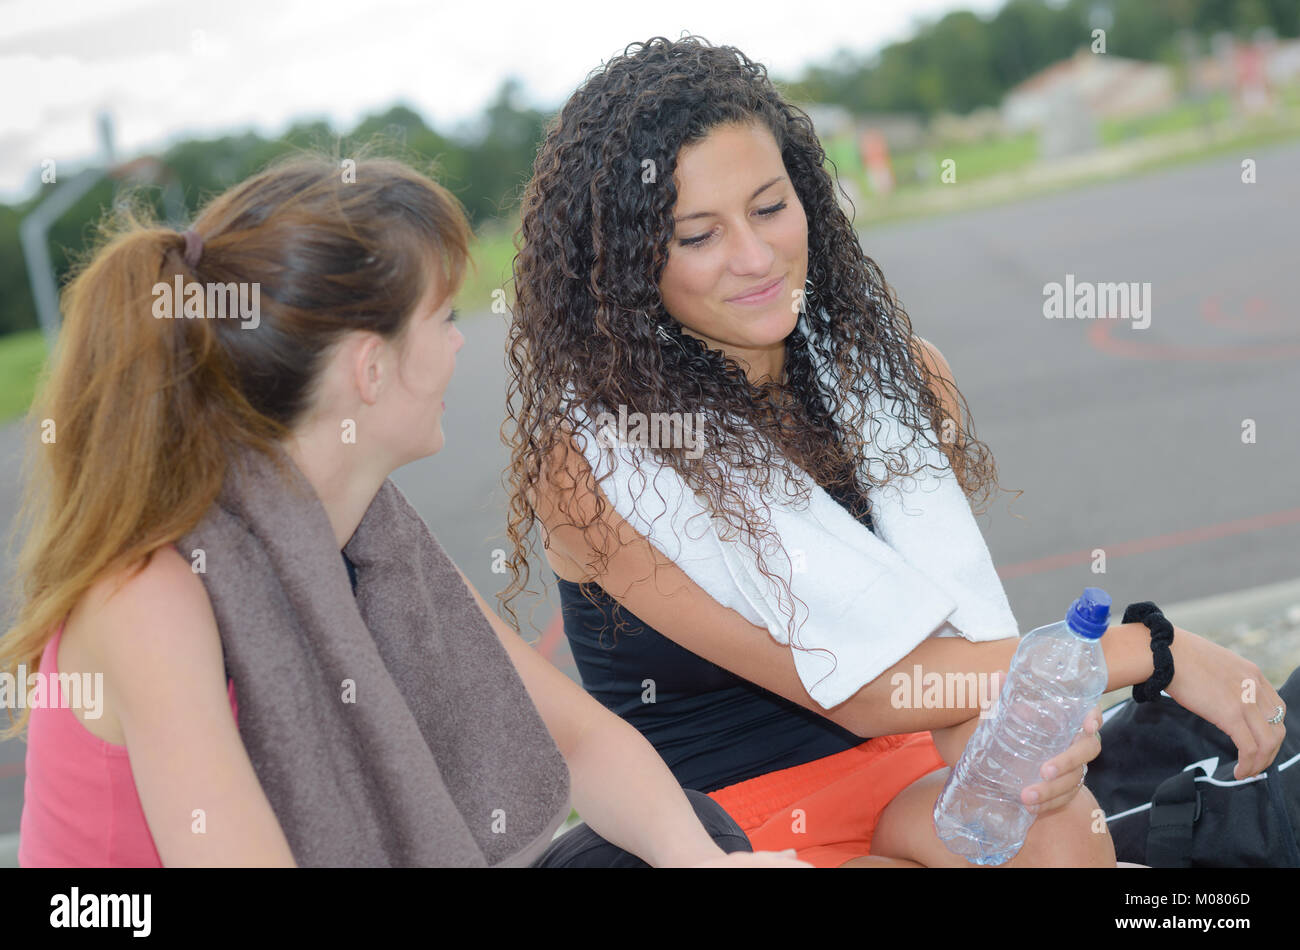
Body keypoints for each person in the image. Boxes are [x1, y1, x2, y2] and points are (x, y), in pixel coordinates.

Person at [500, 36, 1289, 867]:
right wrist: (1155, 650)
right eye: (698, 235)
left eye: (770, 208)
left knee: (1060, 829)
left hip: (908, 766)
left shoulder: (902, 379)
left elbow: (951, 640)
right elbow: (862, 685)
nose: (756, 256)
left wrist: (1015, 740)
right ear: (625, 266)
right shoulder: (596, 461)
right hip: (728, 818)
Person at [0, 152, 806, 868]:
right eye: (444, 318)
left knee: (686, 832)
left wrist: (696, 859)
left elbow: (588, 739)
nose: (460, 343)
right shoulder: (152, 595)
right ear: (369, 368)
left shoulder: (375, 539)